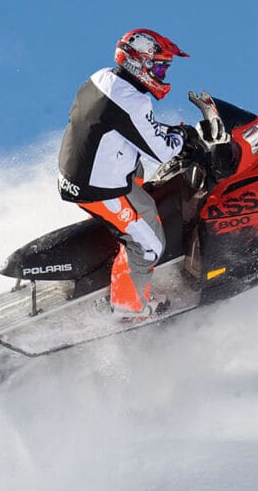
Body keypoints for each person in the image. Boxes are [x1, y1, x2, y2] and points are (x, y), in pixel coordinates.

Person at [57, 28, 191, 319]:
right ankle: (128, 309)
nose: (161, 75)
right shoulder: (132, 101)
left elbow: (132, 129)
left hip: (83, 169)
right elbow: (163, 151)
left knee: (146, 179)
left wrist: (170, 133)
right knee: (150, 246)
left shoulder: (103, 77)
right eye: (158, 66)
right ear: (138, 63)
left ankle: (130, 227)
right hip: (97, 189)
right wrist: (182, 135)